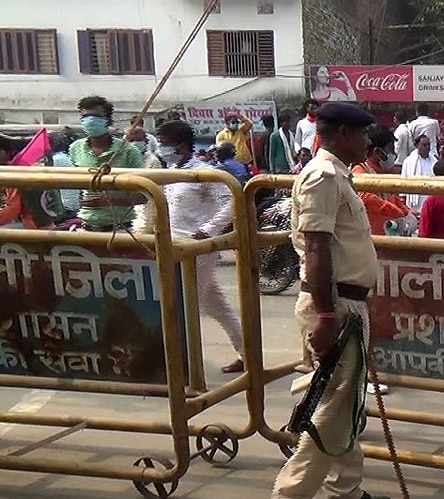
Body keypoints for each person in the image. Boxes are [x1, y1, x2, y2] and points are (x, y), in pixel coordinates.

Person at [266, 102, 395, 499]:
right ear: (343, 133)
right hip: (335, 305)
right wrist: (326, 314)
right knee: (332, 405)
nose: (368, 142)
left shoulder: (338, 174)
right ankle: (292, 497)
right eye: (363, 134)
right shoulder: (324, 176)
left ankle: (344, 491)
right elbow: (317, 249)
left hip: (345, 304)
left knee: (345, 401)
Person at [153, 120, 246, 374]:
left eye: (165, 144)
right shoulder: (170, 171)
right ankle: (247, 353)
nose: (161, 148)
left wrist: (206, 231)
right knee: (214, 305)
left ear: (180, 145)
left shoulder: (205, 172)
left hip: (197, 247)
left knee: (184, 305)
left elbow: (229, 204)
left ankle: (182, 364)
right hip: (172, 244)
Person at [68, 95, 145, 232]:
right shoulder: (76, 148)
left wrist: (111, 201)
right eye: (85, 117)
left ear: (108, 120)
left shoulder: (128, 151)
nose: (90, 121)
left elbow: (144, 196)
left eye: (95, 116)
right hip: (86, 226)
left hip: (120, 229)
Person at [0, 133, 61, 230]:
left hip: (33, 225)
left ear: (8, 152)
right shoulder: (14, 170)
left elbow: (13, 209)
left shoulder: (14, 174)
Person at [400, 135, 437, 214]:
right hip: (415, 197)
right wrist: (403, 197)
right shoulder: (409, 161)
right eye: (424, 145)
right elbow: (404, 179)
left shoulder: (434, 161)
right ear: (417, 146)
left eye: (428, 144)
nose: (427, 147)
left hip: (429, 196)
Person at [269, 109, 297, 174]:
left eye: (289, 122)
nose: (289, 124)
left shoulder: (292, 135)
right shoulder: (275, 136)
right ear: (281, 123)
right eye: (286, 122)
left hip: (291, 166)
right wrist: (272, 169)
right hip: (279, 167)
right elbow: (272, 154)